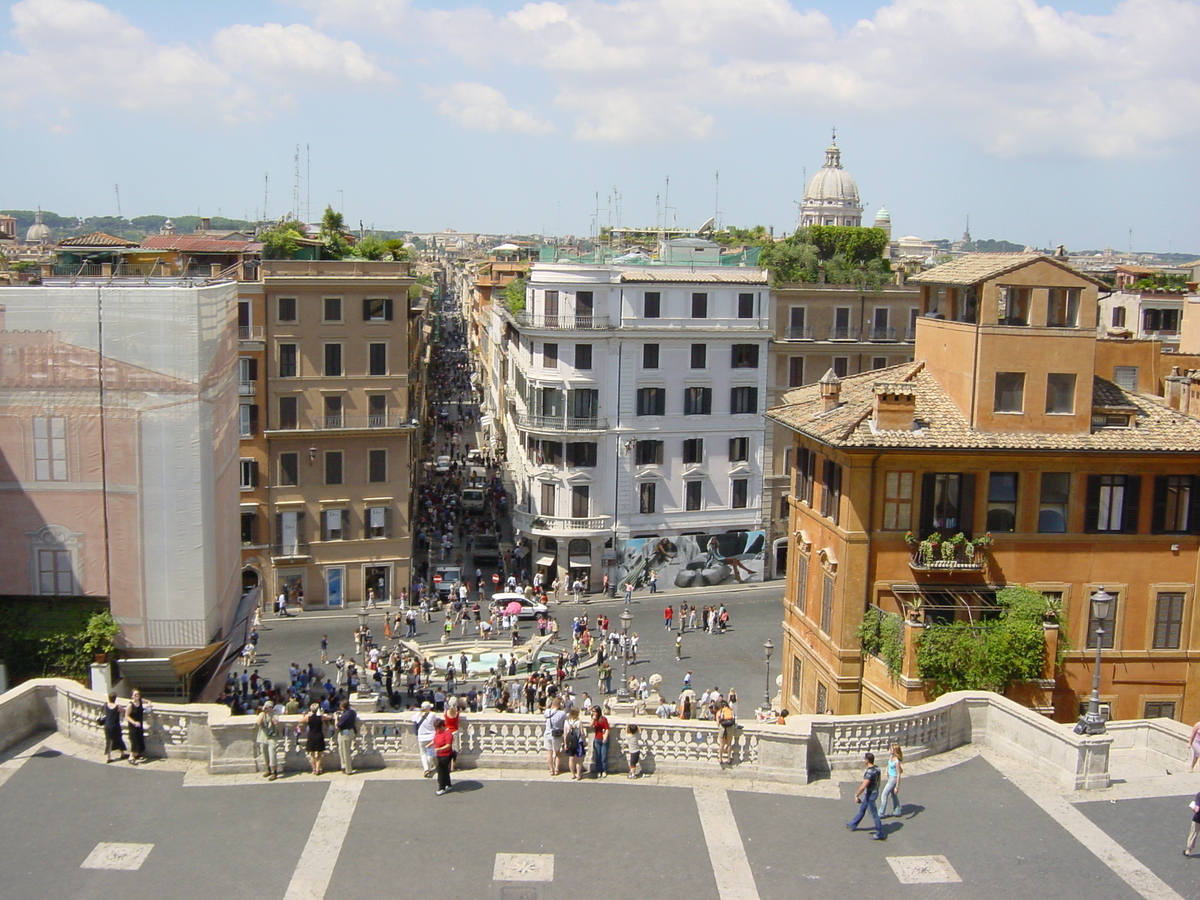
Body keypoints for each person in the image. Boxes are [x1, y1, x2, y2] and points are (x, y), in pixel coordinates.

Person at [846, 752, 885, 839]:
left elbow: (864, 785)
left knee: (874, 814)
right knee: (862, 809)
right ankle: (853, 824)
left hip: (870, 794)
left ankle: (880, 833)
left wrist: (856, 795)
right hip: (874, 791)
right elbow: (879, 780)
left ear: (867, 760)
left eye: (865, 759)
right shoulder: (877, 768)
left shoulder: (869, 772)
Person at [256, 703, 282, 780]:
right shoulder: (261, 714)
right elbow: (258, 723)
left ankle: (274, 772)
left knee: (272, 754)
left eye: (269, 707)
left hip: (272, 737)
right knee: (265, 754)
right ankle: (268, 769)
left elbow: (276, 723)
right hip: (263, 737)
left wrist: (270, 714)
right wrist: (263, 713)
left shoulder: (275, 714)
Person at [125, 689, 151, 764]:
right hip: (133, 725)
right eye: (135, 694)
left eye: (138, 694)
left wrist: (148, 704)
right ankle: (131, 757)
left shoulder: (140, 700)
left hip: (140, 724)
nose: (137, 695)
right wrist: (134, 722)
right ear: (132, 696)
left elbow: (148, 701)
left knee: (140, 738)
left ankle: (138, 753)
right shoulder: (130, 705)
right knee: (134, 740)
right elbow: (127, 716)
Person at [413, 701, 438, 777]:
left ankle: (426, 769)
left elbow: (412, 719)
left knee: (423, 754)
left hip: (421, 737)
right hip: (431, 736)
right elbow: (436, 721)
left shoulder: (417, 715)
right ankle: (428, 768)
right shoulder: (432, 715)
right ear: (429, 708)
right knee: (430, 753)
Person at [543, 697, 567, 776]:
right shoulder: (562, 713)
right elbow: (565, 720)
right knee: (557, 753)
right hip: (557, 734)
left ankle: (551, 769)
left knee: (549, 752)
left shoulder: (547, 711)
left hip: (547, 734)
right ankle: (556, 769)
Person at [101, 693, 128, 763]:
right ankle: (122, 753)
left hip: (107, 725)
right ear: (115, 698)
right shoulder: (118, 707)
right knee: (118, 739)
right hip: (115, 725)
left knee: (109, 741)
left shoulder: (105, 705)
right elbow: (124, 712)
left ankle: (109, 757)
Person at [879, 744, 904, 817]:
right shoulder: (891, 757)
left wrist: (897, 786)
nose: (889, 750)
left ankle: (881, 812)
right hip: (890, 777)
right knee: (894, 795)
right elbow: (890, 766)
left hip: (893, 779)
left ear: (895, 751)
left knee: (884, 795)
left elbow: (899, 774)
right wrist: (887, 770)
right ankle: (897, 810)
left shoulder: (896, 761)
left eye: (891, 749)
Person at [335, 700, 359, 775]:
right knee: (342, 749)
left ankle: (348, 769)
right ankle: (343, 766)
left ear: (342, 707)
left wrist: (336, 718)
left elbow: (337, 726)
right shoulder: (352, 712)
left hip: (345, 733)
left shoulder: (345, 716)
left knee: (345, 752)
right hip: (351, 731)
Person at [304, 703, 329, 775]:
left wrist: (306, 715)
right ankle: (318, 769)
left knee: (311, 754)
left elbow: (300, 720)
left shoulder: (309, 717)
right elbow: (329, 717)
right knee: (319, 754)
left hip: (311, 736)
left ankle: (314, 769)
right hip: (319, 735)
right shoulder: (320, 717)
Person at [432, 718, 455, 795]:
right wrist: (429, 745)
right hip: (439, 754)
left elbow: (448, 745)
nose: (437, 730)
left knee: (441, 771)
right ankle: (448, 785)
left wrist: (439, 749)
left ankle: (441, 787)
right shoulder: (438, 731)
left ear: (442, 726)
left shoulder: (448, 733)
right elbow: (435, 739)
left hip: (446, 755)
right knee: (445, 771)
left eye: (438, 728)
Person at [565, 708, 586, 780]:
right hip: (578, 741)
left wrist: (565, 744)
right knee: (579, 759)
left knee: (571, 758)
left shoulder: (567, 722)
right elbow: (582, 733)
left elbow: (565, 734)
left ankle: (572, 774)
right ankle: (578, 774)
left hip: (570, 742)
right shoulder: (579, 722)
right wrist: (584, 740)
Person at [591, 707, 610, 777]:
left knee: (604, 756)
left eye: (595, 711)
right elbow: (590, 725)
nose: (593, 713)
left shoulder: (603, 719)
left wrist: (605, 737)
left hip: (603, 738)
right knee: (598, 756)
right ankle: (598, 770)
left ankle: (604, 770)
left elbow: (607, 729)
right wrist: (593, 718)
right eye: (593, 711)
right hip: (597, 738)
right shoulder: (594, 719)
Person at [716, 698, 737, 764]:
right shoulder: (730, 711)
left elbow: (718, 723)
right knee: (729, 744)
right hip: (730, 727)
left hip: (723, 728)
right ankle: (728, 759)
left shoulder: (720, 712)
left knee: (721, 744)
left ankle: (720, 758)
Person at [1187, 789, 1200, 856]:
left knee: (1193, 835)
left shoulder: (1199, 795)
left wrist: (1193, 808)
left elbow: (1197, 809)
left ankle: (1188, 851)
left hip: (1198, 819)